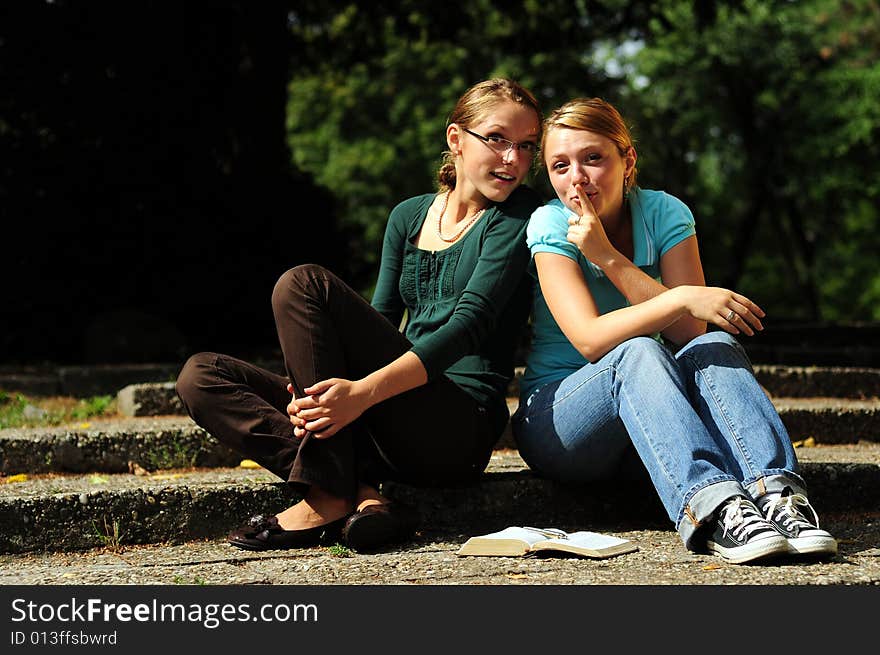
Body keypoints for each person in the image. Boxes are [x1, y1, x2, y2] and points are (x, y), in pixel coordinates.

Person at [176, 78, 543, 553]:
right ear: (456, 139)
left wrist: (359, 395)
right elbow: (381, 319)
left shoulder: (520, 214)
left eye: (527, 146)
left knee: (304, 283)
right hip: (381, 419)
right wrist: (320, 389)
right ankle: (363, 493)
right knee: (201, 377)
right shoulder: (408, 215)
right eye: (497, 139)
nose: (513, 158)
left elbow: (468, 325)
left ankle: (328, 494)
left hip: (454, 427)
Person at [511, 97, 837, 564]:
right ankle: (714, 509)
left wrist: (611, 258)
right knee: (638, 349)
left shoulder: (664, 213)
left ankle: (779, 498)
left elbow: (689, 332)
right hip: (560, 423)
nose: (576, 178)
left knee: (713, 344)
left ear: (628, 161)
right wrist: (678, 294)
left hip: (652, 423)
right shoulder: (550, 222)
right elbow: (590, 339)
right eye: (559, 166)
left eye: (594, 158)